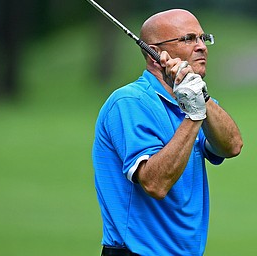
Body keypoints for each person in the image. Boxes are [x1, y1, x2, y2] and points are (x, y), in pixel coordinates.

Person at [92, 9, 243, 256]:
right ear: (155, 55)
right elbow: (155, 183)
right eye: (188, 39)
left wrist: (200, 100)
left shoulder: (192, 98)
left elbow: (232, 146)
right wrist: (194, 115)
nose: (201, 47)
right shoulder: (129, 102)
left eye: (203, 39)